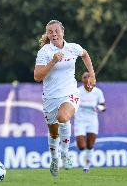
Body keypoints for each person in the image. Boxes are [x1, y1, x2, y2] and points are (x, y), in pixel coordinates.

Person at [34, 20, 96, 177]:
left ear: (63, 32)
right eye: (50, 32)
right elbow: (37, 76)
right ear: (47, 35)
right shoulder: (44, 52)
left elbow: (85, 54)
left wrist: (92, 74)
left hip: (70, 93)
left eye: (56, 31)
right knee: (53, 133)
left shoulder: (73, 47)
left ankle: (65, 153)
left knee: (63, 117)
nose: (54, 34)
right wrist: (53, 61)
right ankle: (55, 158)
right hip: (50, 98)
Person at [74, 72, 106, 173]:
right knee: (82, 146)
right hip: (80, 121)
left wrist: (99, 107)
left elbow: (103, 106)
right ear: (82, 80)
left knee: (90, 145)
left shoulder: (98, 92)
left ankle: (87, 166)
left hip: (92, 121)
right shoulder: (77, 91)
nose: (87, 78)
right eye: (85, 77)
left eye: (89, 77)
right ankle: (79, 143)